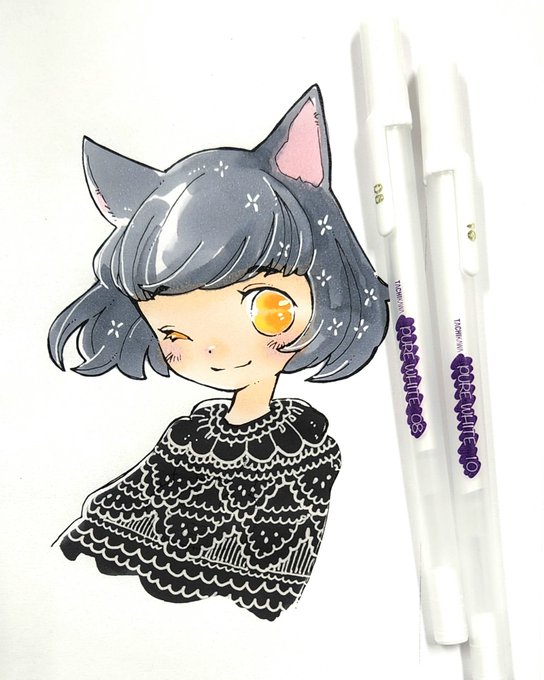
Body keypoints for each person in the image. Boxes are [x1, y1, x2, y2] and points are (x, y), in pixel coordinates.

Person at [48, 85, 389, 620]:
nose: (217, 351)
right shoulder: (188, 438)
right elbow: (129, 509)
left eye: (265, 308)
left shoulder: (305, 451)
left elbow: (288, 557)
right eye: (174, 335)